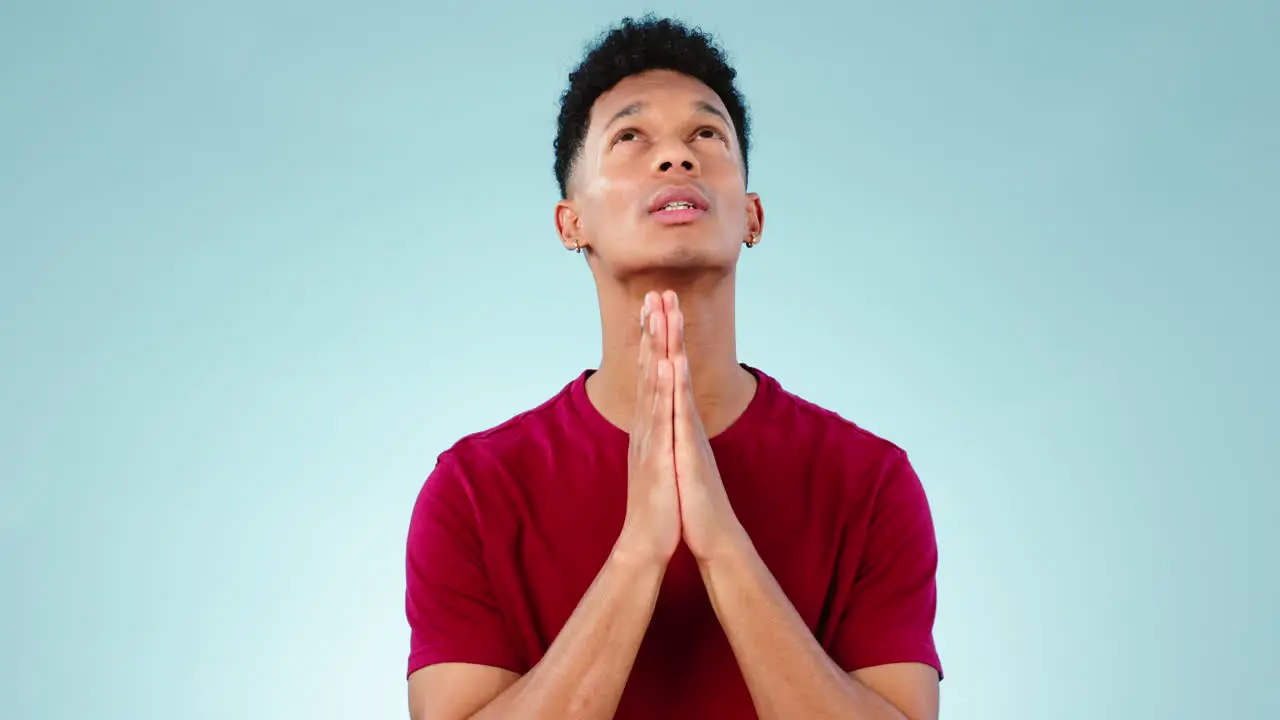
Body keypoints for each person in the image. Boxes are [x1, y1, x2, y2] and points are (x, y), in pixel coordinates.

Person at [405, 15, 942, 720]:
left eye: (706, 136)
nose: (676, 159)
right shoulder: (472, 492)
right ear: (572, 224)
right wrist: (639, 553)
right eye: (630, 137)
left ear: (752, 215)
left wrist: (721, 545)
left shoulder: (871, 483)